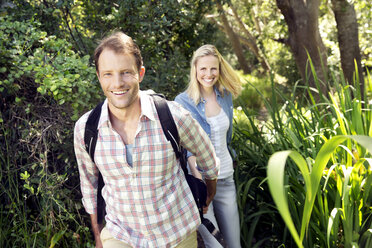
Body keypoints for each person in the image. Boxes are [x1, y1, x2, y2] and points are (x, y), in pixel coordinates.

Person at [73, 32, 220, 248]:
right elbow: (89, 187)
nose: (117, 83)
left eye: (125, 73)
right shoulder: (86, 129)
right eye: (108, 74)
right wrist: (98, 236)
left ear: (140, 73)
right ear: (98, 76)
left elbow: (208, 157)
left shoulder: (173, 116)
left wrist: (208, 194)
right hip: (120, 235)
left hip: (176, 232)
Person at [175, 44, 242, 248]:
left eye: (213, 68)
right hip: (201, 183)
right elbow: (187, 149)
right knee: (215, 246)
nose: (208, 74)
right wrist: (201, 184)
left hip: (226, 179)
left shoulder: (225, 95)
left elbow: (226, 137)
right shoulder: (182, 102)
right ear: (195, 69)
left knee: (233, 244)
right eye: (203, 68)